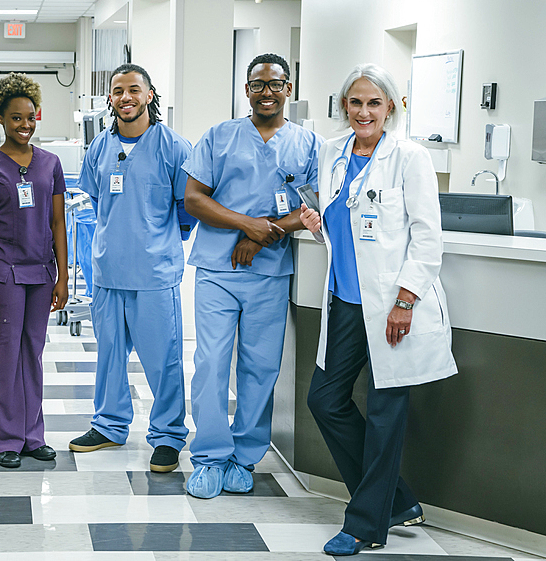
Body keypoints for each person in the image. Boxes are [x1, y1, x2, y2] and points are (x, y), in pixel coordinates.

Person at [298, 63, 457, 555]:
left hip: (392, 305)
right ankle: (397, 500)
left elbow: (428, 239)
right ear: (343, 106)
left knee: (387, 414)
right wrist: (316, 223)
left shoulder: (410, 158)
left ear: (391, 108)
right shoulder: (331, 152)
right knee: (325, 400)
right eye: (355, 102)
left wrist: (406, 299)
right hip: (345, 301)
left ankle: (366, 524)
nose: (363, 112)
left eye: (374, 102)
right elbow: (348, 231)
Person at [182, 53, 322, 499]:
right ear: (246, 90)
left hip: (270, 273)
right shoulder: (220, 136)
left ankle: (245, 456)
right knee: (211, 364)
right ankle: (208, 457)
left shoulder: (308, 144)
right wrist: (247, 224)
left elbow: (315, 208)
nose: (267, 92)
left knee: (261, 368)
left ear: (289, 88)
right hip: (217, 271)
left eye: (276, 84)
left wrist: (265, 234)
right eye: (258, 85)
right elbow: (194, 200)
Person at [68, 63, 196, 473]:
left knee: (164, 360)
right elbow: (97, 203)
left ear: (150, 95)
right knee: (108, 357)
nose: (126, 97)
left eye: (133, 90)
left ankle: (168, 435)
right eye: (118, 91)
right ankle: (108, 425)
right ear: (110, 99)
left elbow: (187, 208)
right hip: (107, 271)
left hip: (155, 274)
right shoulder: (99, 148)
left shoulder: (173, 147)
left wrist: (156, 243)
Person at [0, 74, 69, 469]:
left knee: (34, 351)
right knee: (6, 354)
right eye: (16, 118)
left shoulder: (50, 164)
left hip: (42, 274)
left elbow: (57, 223)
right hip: (5, 274)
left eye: (31, 117)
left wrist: (62, 275)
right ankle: (6, 438)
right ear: (0, 118)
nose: (25, 125)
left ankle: (32, 435)